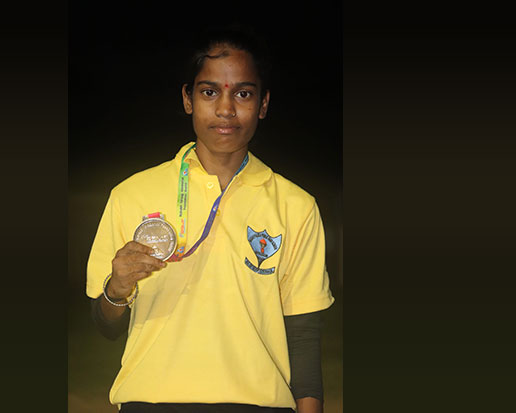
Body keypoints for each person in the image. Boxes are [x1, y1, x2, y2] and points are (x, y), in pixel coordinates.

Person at [87, 26, 335, 413]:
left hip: (258, 405)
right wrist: (116, 289)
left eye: (243, 94)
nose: (225, 109)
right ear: (188, 99)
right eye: (209, 92)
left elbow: (303, 336)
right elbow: (107, 325)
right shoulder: (130, 194)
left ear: (264, 104)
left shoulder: (295, 206)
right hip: (152, 402)